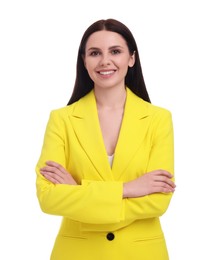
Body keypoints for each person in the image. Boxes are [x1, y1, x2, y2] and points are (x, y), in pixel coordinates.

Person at [35, 18, 176, 260]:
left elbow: (157, 202)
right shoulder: (62, 119)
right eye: (94, 53)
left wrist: (78, 193)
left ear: (131, 58)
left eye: (115, 51)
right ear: (84, 61)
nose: (105, 61)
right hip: (77, 253)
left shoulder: (158, 119)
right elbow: (48, 198)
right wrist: (129, 189)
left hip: (141, 253)